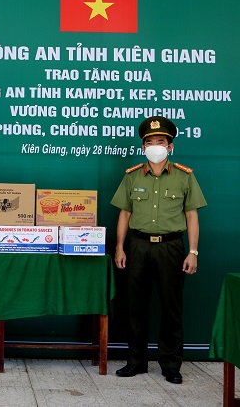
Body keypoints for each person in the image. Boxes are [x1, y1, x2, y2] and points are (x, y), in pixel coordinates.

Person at [110, 116, 206, 385]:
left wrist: (193, 252)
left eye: (160, 142)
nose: (155, 146)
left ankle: (171, 365)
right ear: (143, 147)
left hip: (172, 247)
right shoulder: (131, 176)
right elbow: (124, 213)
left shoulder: (184, 176)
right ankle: (136, 362)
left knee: (171, 308)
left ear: (170, 146)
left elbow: (192, 216)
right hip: (138, 246)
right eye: (149, 142)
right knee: (135, 307)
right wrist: (120, 247)